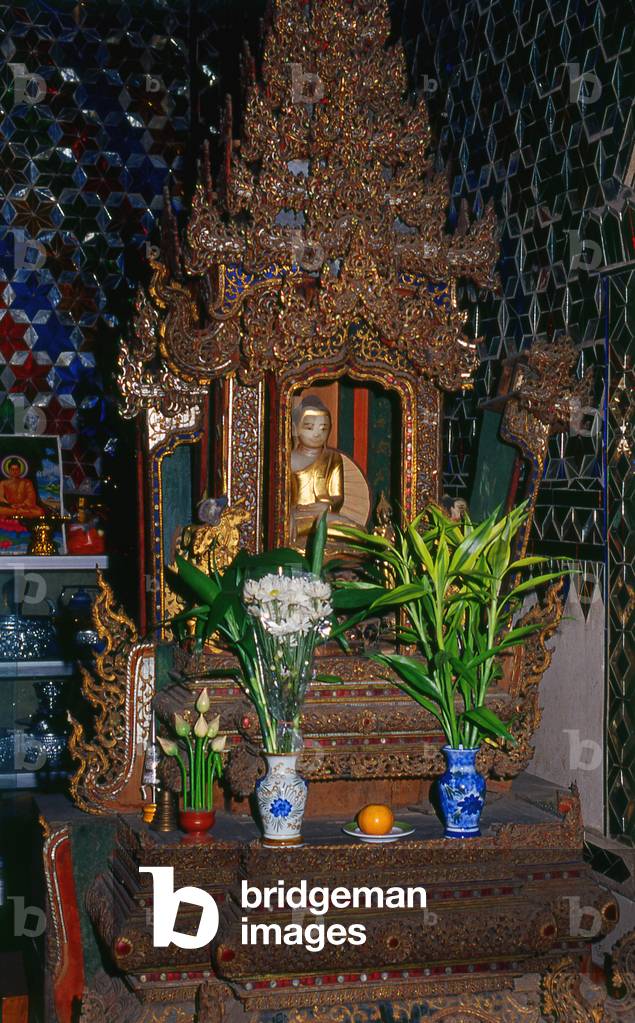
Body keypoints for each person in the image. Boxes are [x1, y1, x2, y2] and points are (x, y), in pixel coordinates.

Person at [289, 396, 361, 542]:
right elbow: (281, 496)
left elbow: (337, 496)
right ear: (295, 429)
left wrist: (327, 505)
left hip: (324, 515)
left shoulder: (333, 458)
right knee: (288, 528)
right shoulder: (288, 459)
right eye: (309, 427)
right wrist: (289, 512)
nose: (317, 434)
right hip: (297, 517)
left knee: (358, 532)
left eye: (323, 428)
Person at [0, 457, 45, 525]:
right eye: (12, 469)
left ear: (20, 470)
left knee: (39, 512)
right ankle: (16, 512)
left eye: (17, 469)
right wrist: (10, 505)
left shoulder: (27, 482)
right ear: (9, 471)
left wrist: (22, 505)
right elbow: (1, 498)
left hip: (24, 507)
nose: (14, 471)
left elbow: (31, 498)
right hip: (10, 507)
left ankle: (16, 513)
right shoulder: (3, 483)